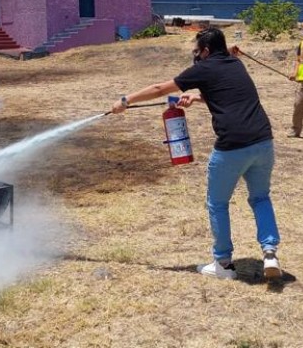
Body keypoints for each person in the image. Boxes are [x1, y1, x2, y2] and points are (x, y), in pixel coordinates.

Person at [110, 27, 282, 281]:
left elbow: (160, 88)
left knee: (217, 203)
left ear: (206, 51)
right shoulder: (236, 65)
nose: (196, 56)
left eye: (197, 51)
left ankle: (223, 262)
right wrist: (196, 98)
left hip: (232, 146)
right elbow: (224, 93)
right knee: (260, 198)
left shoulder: (204, 67)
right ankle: (270, 253)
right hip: (263, 142)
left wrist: (125, 101)